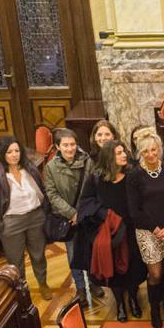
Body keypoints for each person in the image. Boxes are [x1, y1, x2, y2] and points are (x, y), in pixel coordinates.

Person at [73, 140, 146, 322]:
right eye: (119, 153)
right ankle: (120, 303)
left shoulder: (132, 174)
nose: (124, 155)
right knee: (115, 270)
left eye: (124, 152)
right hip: (111, 231)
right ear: (109, 157)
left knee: (133, 267)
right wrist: (106, 214)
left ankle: (134, 299)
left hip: (131, 229)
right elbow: (86, 202)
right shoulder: (96, 178)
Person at [125, 130, 164, 328]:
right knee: (155, 273)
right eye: (146, 151)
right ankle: (155, 310)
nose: (150, 154)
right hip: (147, 230)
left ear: (159, 149)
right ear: (140, 152)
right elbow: (134, 210)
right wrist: (155, 228)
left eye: (153, 149)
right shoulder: (134, 175)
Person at [0, 136, 50, 299]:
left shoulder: (30, 168)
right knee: (15, 261)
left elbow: (42, 190)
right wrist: (0, 225)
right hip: (11, 222)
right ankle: (22, 290)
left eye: (17, 151)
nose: (14, 155)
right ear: (2, 154)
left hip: (35, 217)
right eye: (9, 152)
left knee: (39, 254)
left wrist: (44, 212)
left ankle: (43, 283)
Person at [43, 128, 100, 306]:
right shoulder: (51, 167)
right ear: (57, 147)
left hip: (87, 214)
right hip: (68, 218)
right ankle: (81, 287)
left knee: (91, 250)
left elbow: (92, 187)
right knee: (73, 253)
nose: (70, 149)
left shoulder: (87, 162)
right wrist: (72, 213)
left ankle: (93, 282)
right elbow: (52, 195)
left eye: (73, 144)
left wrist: (82, 212)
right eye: (65, 145)